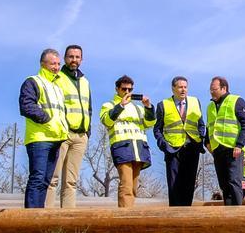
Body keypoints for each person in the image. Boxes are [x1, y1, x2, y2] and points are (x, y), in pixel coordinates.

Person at [17, 48, 69, 209]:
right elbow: (26, 106)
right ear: (42, 64)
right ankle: (30, 219)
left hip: (56, 139)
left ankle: (39, 216)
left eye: (58, 63)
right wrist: (47, 119)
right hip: (39, 138)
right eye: (53, 63)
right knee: (37, 178)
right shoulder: (33, 81)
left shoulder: (57, 87)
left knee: (46, 180)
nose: (56, 66)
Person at [45, 44, 92, 209]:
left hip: (80, 137)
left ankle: (68, 219)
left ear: (81, 59)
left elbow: (89, 108)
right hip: (62, 135)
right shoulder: (58, 77)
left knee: (71, 181)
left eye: (77, 57)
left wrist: (87, 132)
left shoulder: (85, 81)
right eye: (71, 57)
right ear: (65, 58)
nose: (74, 60)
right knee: (53, 178)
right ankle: (48, 219)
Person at [100, 75, 155, 208]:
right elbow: (107, 121)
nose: (127, 92)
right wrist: (120, 106)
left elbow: (150, 123)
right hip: (122, 148)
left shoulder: (138, 108)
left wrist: (148, 107)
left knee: (134, 187)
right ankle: (124, 219)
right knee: (126, 185)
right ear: (117, 89)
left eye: (130, 90)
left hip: (139, 149)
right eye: (124, 89)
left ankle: (131, 215)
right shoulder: (109, 105)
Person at [153, 76, 206, 206]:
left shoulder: (195, 102)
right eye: (180, 87)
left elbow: (201, 124)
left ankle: (187, 215)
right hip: (172, 150)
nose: (183, 90)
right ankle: (174, 216)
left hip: (192, 148)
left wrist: (200, 138)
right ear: (173, 89)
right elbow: (157, 129)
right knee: (174, 185)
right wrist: (163, 145)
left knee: (189, 184)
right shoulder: (163, 105)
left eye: (185, 87)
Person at [206, 76, 245, 207]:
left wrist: (239, 144)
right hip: (217, 150)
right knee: (224, 185)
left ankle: (238, 214)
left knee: (234, 182)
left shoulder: (236, 101)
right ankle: (228, 216)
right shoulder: (210, 106)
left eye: (214, 89)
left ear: (223, 88)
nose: (211, 92)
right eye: (210, 89)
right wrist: (207, 144)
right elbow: (209, 127)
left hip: (233, 149)